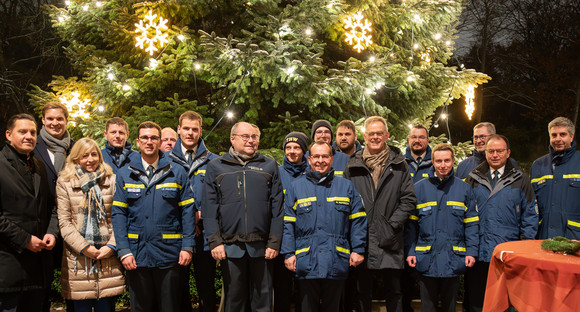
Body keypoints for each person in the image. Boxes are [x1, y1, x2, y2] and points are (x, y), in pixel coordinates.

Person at [111, 121, 195, 312]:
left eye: (154, 138)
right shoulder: (125, 174)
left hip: (170, 254)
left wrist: (187, 246)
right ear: (138, 142)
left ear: (159, 141)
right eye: (145, 138)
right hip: (136, 254)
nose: (149, 142)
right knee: (141, 308)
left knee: (170, 307)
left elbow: (188, 212)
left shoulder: (177, 172)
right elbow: (118, 214)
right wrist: (123, 249)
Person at [203, 122, 284, 312]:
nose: (251, 140)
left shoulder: (269, 165)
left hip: (262, 247)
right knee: (234, 302)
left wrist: (274, 242)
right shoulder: (216, 166)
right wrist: (215, 242)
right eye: (245, 136)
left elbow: (278, 208)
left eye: (254, 137)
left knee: (263, 301)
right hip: (230, 247)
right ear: (233, 138)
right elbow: (209, 207)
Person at [282, 141, 367, 312]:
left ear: (332, 159)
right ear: (310, 159)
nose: (320, 160)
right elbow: (288, 224)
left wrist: (358, 249)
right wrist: (289, 253)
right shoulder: (296, 187)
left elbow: (358, 220)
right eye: (316, 156)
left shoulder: (346, 186)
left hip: (336, 258)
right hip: (306, 260)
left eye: (325, 156)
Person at [343, 116, 416, 312]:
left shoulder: (400, 164)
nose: (375, 137)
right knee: (362, 291)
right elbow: (345, 200)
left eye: (379, 133)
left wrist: (391, 225)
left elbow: (408, 199)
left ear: (386, 136)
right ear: (365, 137)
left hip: (390, 237)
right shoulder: (352, 165)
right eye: (371, 134)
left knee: (394, 290)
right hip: (362, 238)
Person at [464, 134, 538, 312]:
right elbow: (464, 214)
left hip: (507, 252)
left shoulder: (521, 180)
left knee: (505, 302)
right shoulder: (473, 178)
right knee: (476, 300)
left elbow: (530, 217)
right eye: (491, 151)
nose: (495, 155)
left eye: (499, 151)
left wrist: (524, 249)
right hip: (478, 252)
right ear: (486, 153)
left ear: (508, 153)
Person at [406, 143, 478, 312]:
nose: (443, 165)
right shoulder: (419, 188)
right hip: (426, 258)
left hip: (453, 259)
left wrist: (472, 252)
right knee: (427, 308)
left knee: (450, 308)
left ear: (453, 161)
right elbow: (411, 226)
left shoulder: (464, 189)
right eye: (439, 161)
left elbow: (472, 224)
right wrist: (410, 251)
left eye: (447, 160)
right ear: (432, 162)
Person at [56, 138, 125, 311]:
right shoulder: (65, 182)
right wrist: (85, 247)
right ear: (76, 158)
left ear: (100, 157)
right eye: (84, 155)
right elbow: (64, 222)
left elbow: (120, 218)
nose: (90, 159)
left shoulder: (112, 180)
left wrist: (112, 246)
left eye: (94, 154)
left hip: (107, 258)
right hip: (78, 260)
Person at [0, 113, 58, 311]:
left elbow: (52, 206)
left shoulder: (38, 165)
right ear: (8, 134)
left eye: (33, 132)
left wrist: (52, 231)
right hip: (9, 267)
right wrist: (25, 240)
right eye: (22, 131)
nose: (29, 136)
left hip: (39, 266)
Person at [167, 111, 218, 312]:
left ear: (200, 131)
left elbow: (218, 198)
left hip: (205, 236)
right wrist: (187, 219)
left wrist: (200, 216)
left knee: (206, 288)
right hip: (177, 236)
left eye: (194, 129)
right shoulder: (165, 161)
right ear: (178, 129)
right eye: (186, 128)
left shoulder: (214, 161)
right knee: (178, 290)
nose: (190, 133)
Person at [274, 131, 309, 312]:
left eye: (297, 147)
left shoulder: (311, 173)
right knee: (282, 289)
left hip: (306, 239)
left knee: (305, 291)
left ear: (304, 150)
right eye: (288, 147)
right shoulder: (276, 173)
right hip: (282, 240)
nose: (292, 151)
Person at [531, 117, 580, 239]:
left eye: (563, 134)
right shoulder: (538, 165)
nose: (558, 139)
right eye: (554, 135)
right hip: (543, 238)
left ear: (571, 137)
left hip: (574, 239)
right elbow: (531, 205)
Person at [402, 123, 433, 312]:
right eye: (414, 137)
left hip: (428, 225)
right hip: (405, 227)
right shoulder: (399, 163)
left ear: (428, 140)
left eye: (421, 137)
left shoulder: (436, 161)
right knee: (404, 278)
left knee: (427, 279)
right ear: (408, 140)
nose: (417, 140)